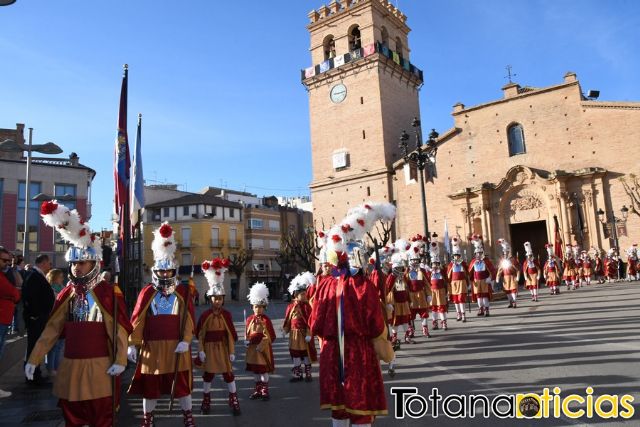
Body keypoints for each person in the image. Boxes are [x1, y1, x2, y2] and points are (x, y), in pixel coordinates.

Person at [25, 200, 131, 426]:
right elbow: (52, 330)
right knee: (71, 417)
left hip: (100, 368)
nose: (76, 268)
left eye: (82, 262)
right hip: (71, 368)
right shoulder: (66, 294)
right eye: (74, 263)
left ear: (93, 264)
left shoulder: (108, 293)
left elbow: (120, 329)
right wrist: (34, 358)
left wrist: (121, 359)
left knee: (102, 417)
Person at [310, 202, 392, 426]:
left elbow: (315, 323)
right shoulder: (362, 286)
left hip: (331, 353)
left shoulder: (324, 285)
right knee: (360, 406)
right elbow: (375, 324)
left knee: (339, 408)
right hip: (358, 352)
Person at [127, 222, 196, 427]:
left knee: (182, 386)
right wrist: (132, 343)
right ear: (156, 272)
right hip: (152, 349)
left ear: (173, 272)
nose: (165, 275)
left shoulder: (182, 292)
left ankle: (188, 417)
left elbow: (189, 319)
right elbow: (138, 319)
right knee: (151, 387)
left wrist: (186, 340)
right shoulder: (147, 292)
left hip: (177, 347)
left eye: (168, 272)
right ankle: (148, 419)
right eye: (162, 272)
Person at [196, 257, 240, 415]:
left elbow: (229, 334)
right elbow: (200, 335)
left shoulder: (226, 315)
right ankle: (206, 400)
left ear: (223, 299)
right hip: (209, 349)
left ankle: (234, 399)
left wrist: (232, 351)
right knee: (208, 376)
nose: (217, 301)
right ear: (210, 298)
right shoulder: (205, 315)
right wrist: (201, 350)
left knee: (229, 375)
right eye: (215, 298)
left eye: (220, 298)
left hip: (222, 349)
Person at [21, 253, 54, 384]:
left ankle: (36, 372)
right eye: (48, 262)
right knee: (34, 345)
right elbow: (30, 297)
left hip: (40, 317)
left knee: (37, 345)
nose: (50, 265)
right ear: (43, 262)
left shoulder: (38, 275)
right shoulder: (34, 276)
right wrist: (35, 315)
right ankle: (32, 376)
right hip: (36, 318)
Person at [283, 272, 317, 382]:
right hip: (294, 335)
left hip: (304, 334)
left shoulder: (307, 307)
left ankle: (308, 373)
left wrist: (309, 333)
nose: (304, 296)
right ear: (296, 295)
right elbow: (288, 320)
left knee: (305, 353)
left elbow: (310, 321)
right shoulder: (291, 307)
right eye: (302, 294)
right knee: (295, 354)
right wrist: (285, 330)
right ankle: (297, 374)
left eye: (305, 293)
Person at [245, 282, 276, 401]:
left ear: (264, 307)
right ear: (252, 307)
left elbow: (271, 336)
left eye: (260, 307)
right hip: (253, 349)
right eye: (255, 306)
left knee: (263, 370)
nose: (258, 309)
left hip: (262, 349)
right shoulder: (249, 319)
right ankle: (257, 389)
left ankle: (265, 390)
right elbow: (248, 333)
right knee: (256, 370)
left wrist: (261, 344)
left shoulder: (266, 320)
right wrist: (247, 341)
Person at [0, 246, 21, 398]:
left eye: (9, 260)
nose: (7, 263)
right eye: (4, 260)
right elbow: (13, 292)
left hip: (4, 318)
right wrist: (14, 294)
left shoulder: (5, 274)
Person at [406, 237, 431, 338]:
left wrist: (429, 294)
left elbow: (427, 283)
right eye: (413, 261)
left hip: (421, 294)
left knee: (424, 312)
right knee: (410, 314)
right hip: (410, 295)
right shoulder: (406, 271)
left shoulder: (422, 270)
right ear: (410, 261)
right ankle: (411, 330)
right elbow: (404, 284)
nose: (415, 262)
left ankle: (425, 329)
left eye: (417, 260)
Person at [468, 235, 496, 316]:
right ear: (475, 253)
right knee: (479, 297)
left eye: (480, 253)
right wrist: (470, 282)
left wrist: (490, 278)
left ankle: (487, 310)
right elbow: (470, 272)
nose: (478, 255)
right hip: (476, 282)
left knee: (485, 296)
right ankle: (481, 309)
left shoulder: (486, 261)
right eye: (477, 253)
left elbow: (492, 270)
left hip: (484, 281)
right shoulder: (473, 262)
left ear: (482, 253)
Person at [45, 268, 65, 376]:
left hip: (62, 319)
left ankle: (57, 367)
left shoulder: (63, 288)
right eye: (60, 276)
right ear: (55, 277)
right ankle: (51, 368)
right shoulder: (50, 288)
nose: (62, 278)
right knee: (53, 345)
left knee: (60, 345)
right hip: (53, 319)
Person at [446, 237, 469, 322]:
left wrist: (468, 283)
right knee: (455, 300)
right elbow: (448, 275)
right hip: (453, 283)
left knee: (461, 299)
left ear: (460, 256)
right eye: (455, 256)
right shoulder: (451, 264)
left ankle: (463, 314)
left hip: (461, 282)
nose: (456, 257)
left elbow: (467, 272)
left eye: (457, 255)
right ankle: (458, 313)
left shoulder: (463, 263)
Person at [428, 242, 449, 330]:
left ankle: (444, 323)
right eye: (433, 264)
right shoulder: (429, 273)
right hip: (432, 291)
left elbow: (447, 280)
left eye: (437, 264)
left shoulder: (442, 271)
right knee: (434, 308)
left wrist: (447, 291)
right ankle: (435, 323)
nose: (435, 266)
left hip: (441, 291)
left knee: (441, 307)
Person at [496, 239, 520, 308]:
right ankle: (510, 302)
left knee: (513, 289)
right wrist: (497, 277)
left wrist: (518, 276)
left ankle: (514, 301)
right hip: (505, 278)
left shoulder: (512, 259)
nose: (505, 254)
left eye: (506, 252)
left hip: (512, 276)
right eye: (504, 253)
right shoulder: (502, 260)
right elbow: (500, 269)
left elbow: (517, 269)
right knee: (507, 290)